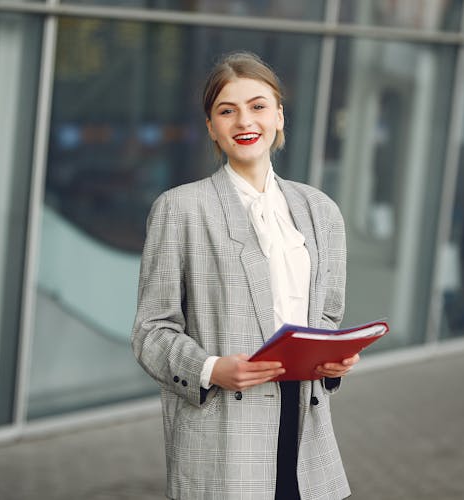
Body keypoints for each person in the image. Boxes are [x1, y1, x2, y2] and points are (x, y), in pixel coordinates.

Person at [131, 51, 358, 500]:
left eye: (257, 106)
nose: (243, 121)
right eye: (226, 110)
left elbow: (328, 316)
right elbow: (150, 333)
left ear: (278, 115)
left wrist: (334, 362)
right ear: (212, 127)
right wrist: (212, 369)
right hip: (224, 432)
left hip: (306, 431)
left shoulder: (321, 212)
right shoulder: (181, 210)